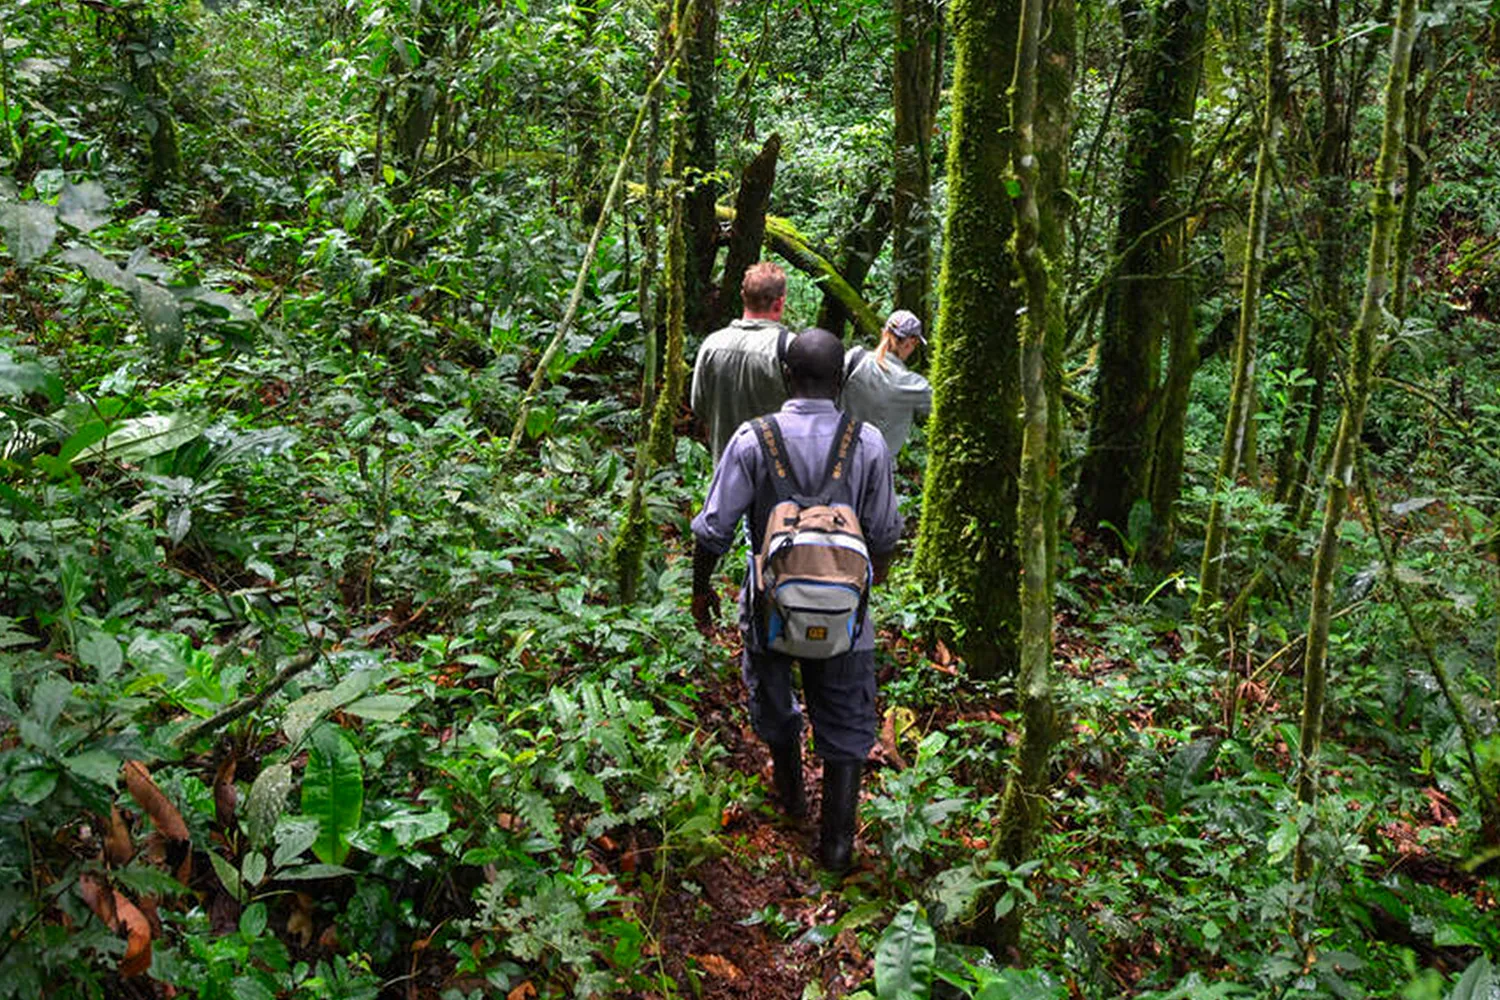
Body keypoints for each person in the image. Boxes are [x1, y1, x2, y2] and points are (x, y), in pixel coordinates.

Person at [690, 328, 903, 872]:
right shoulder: (869, 443)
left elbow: (714, 528)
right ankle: (835, 849)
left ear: (786, 375)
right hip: (844, 614)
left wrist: (700, 592)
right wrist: (862, 590)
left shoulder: (752, 439)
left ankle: (790, 798)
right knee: (848, 722)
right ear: (842, 380)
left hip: (769, 607)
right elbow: (883, 534)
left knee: (773, 699)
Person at [690, 262, 794, 463]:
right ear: (779, 303)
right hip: (777, 476)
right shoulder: (790, 348)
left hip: (726, 467)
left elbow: (699, 405)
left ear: (743, 297)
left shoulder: (712, 344)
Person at [840, 309, 933, 456]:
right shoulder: (910, 384)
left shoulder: (855, 358)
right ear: (912, 342)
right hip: (877, 468)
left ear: (884, 332)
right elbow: (942, 406)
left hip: (839, 458)